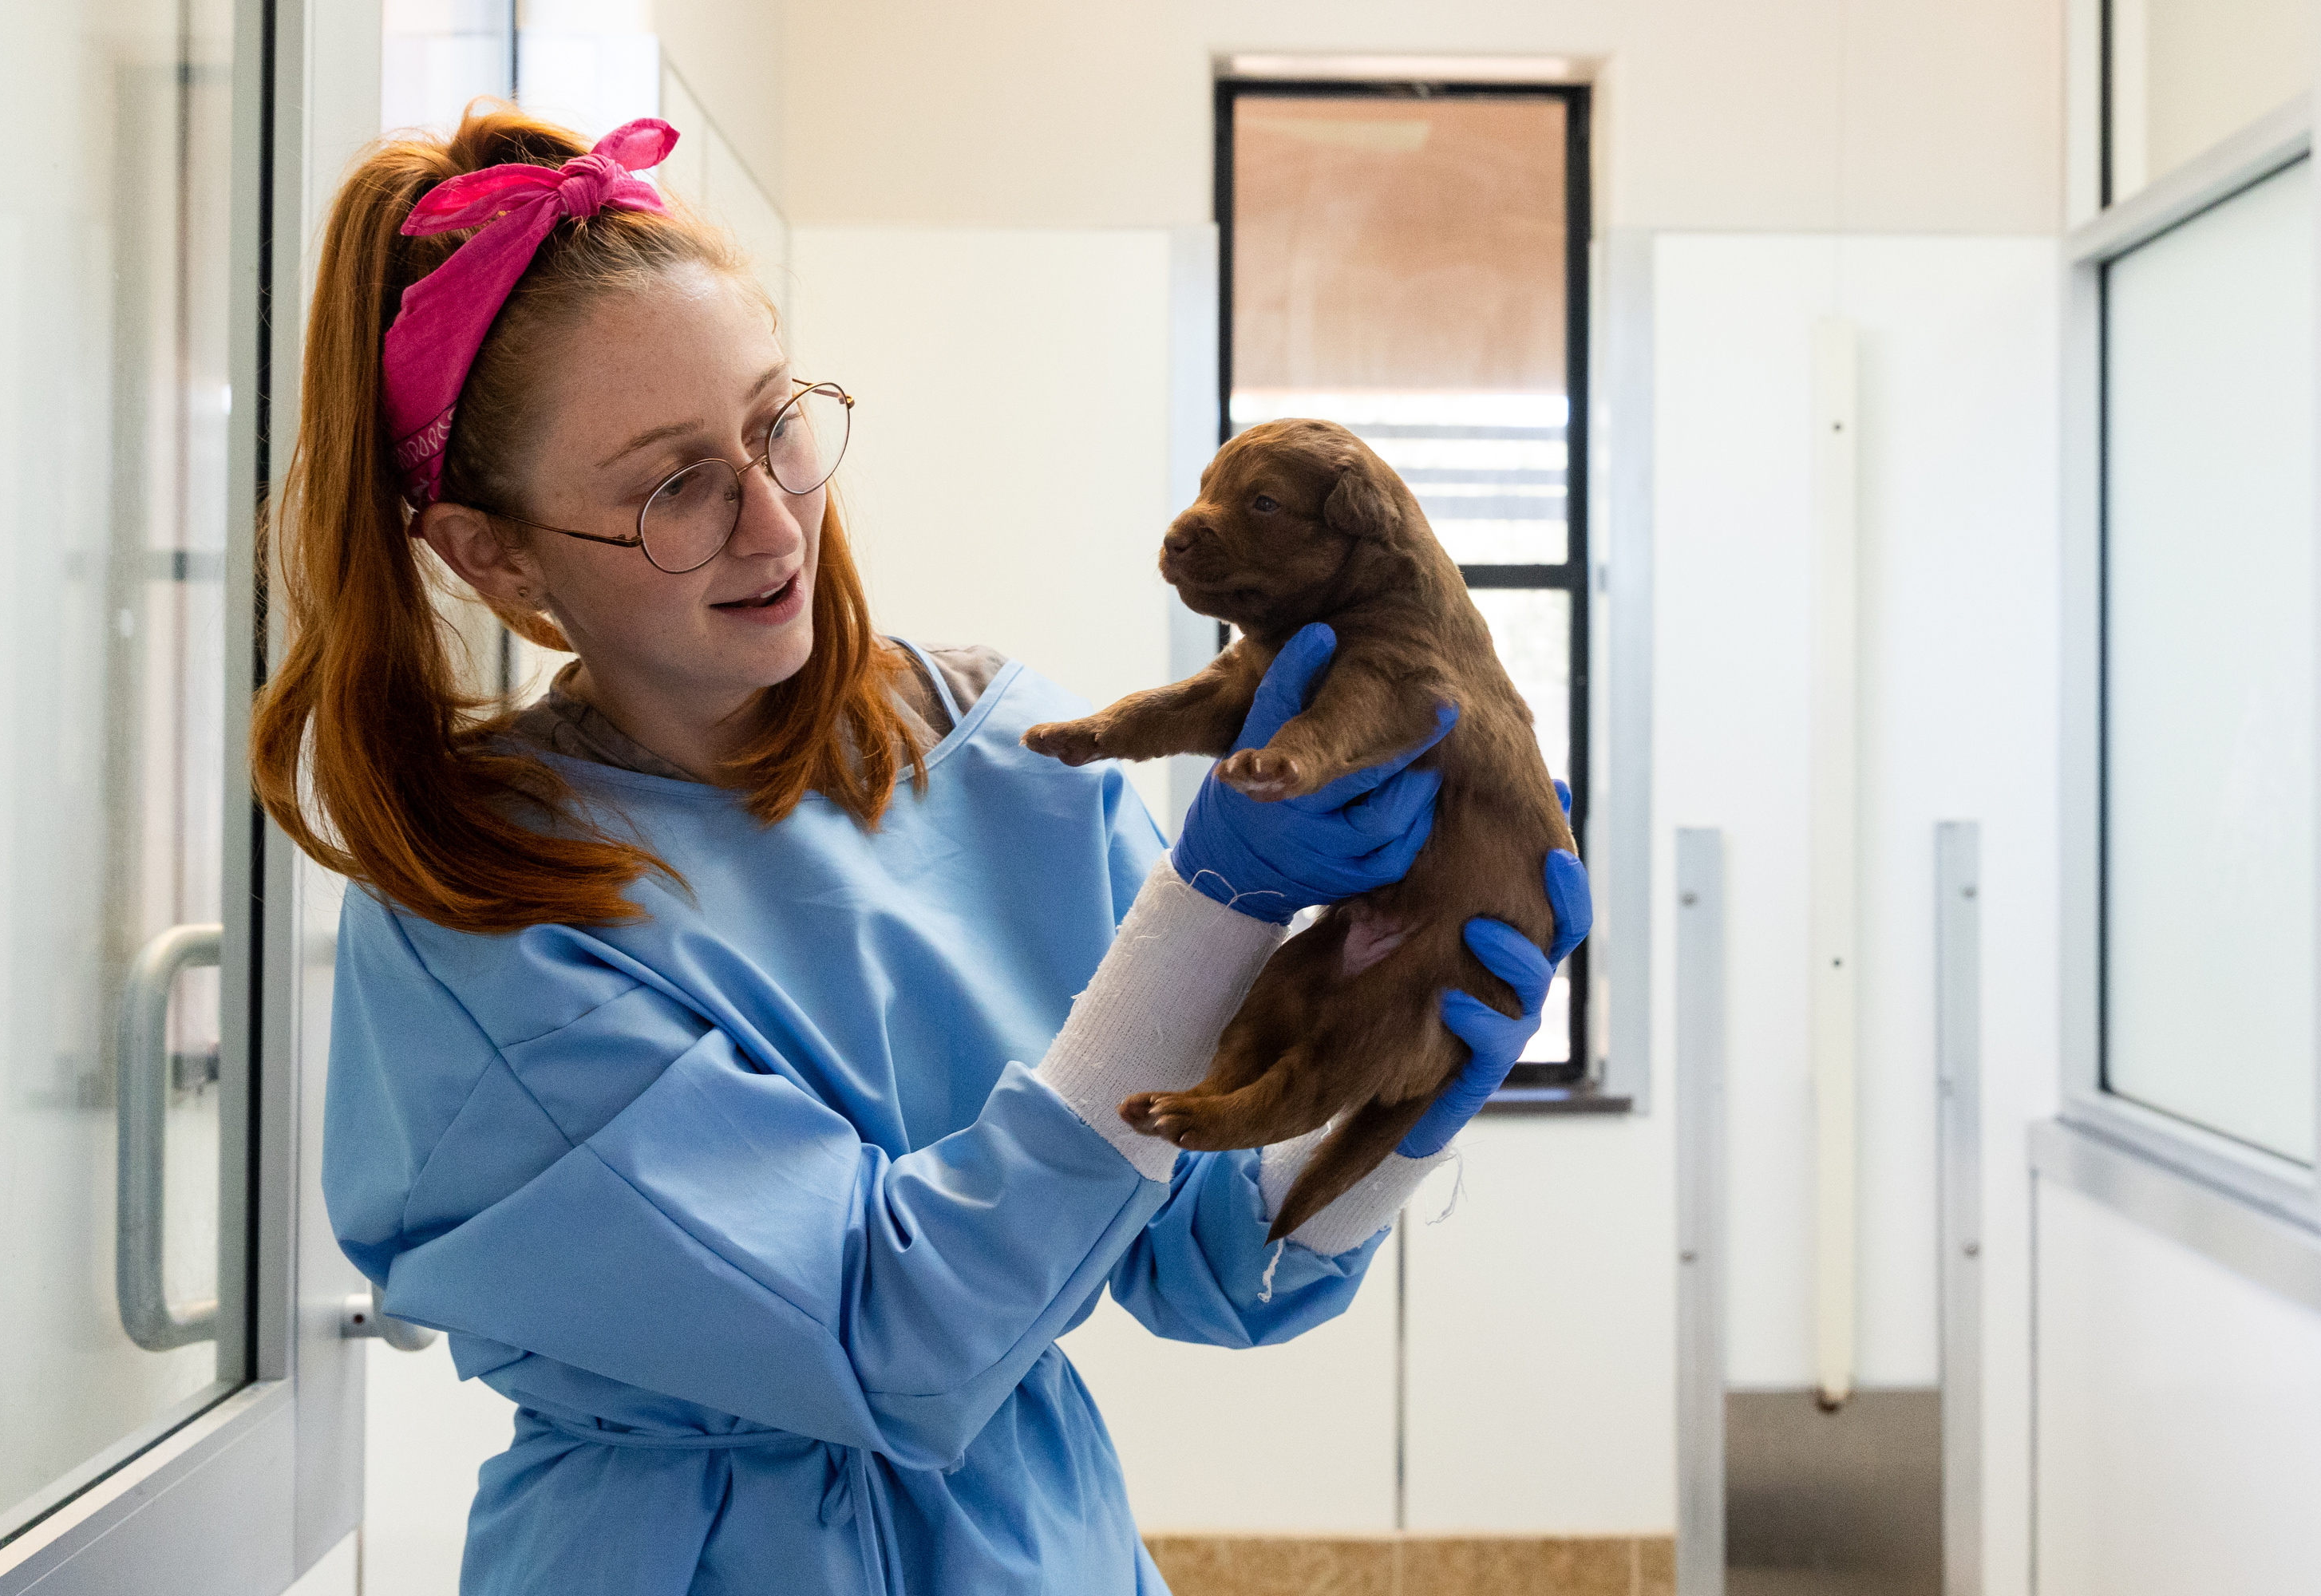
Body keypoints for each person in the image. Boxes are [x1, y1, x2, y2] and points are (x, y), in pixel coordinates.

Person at [251, 106, 1591, 1594]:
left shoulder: (988, 753)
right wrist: (1211, 913)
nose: (778, 526)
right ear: (494, 554)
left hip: (1045, 1548)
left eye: (775, 427)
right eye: (672, 485)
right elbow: (894, 1341)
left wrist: (1393, 1089)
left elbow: (1205, 1258)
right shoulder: (479, 922)